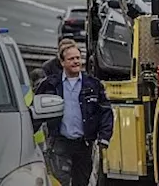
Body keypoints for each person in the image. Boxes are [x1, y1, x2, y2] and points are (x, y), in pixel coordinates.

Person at [34, 42, 114, 186]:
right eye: (71, 59)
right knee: (60, 181)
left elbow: (105, 111)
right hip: (60, 142)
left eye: (78, 58)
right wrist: (28, 134)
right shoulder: (51, 84)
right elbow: (36, 108)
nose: (76, 61)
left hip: (84, 143)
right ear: (62, 62)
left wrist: (104, 137)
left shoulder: (93, 84)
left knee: (81, 182)